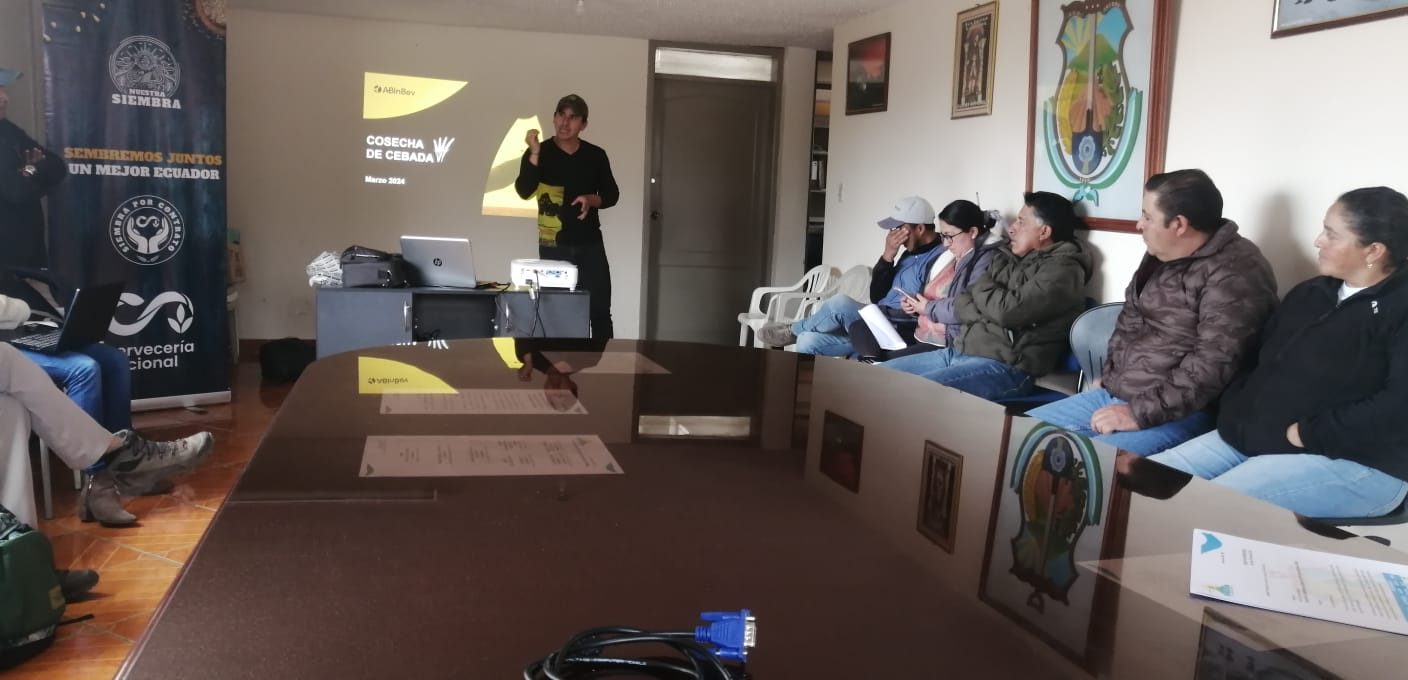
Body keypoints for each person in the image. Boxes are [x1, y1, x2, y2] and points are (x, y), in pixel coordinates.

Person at [1149, 187, 1408, 518]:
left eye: (1331, 234)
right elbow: (1258, 359)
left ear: (1373, 250)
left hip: (1356, 460)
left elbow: (1398, 408)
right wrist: (1237, 409)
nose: (1318, 241)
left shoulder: (1399, 310)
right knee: (1143, 485)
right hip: (1256, 435)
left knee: (1200, 511)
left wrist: (1307, 433)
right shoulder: (1311, 293)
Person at [1027, 170, 1278, 455]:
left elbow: (1213, 364)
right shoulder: (1161, 252)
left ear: (1179, 224)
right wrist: (1110, 375)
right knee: (1027, 439)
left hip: (1182, 411)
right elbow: (1130, 320)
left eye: (1147, 216)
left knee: (1094, 464)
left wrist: (1138, 413)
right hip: (1118, 394)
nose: (1139, 224)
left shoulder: (1236, 273)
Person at [878, 192, 1092, 401]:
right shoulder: (1009, 257)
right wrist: (991, 302)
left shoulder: (1063, 271)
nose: (1012, 227)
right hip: (961, 351)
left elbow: (1006, 312)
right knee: (878, 377)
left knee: (909, 394)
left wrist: (986, 298)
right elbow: (965, 301)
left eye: (1021, 221)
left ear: (1044, 232)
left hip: (1007, 367)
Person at [0, 342, 215, 527]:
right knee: (83, 370)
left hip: (30, 330)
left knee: (114, 361)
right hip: (11, 337)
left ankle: (18, 542)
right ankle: (108, 468)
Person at [756, 196, 945, 356]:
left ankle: (792, 330)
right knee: (807, 340)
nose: (893, 235)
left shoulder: (940, 258)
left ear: (920, 229)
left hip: (897, 328)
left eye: (898, 228)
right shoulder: (909, 253)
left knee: (839, 303)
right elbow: (876, 296)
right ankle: (810, 376)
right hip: (875, 322)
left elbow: (924, 306)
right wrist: (888, 256)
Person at [514, 94, 620, 339]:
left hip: (589, 243)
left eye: (573, 117)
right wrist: (534, 154)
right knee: (556, 313)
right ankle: (559, 362)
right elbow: (524, 190)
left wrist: (592, 199)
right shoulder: (539, 151)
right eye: (561, 115)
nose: (565, 122)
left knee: (600, 311)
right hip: (553, 246)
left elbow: (612, 195)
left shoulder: (595, 155)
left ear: (583, 124)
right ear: (554, 118)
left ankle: (604, 363)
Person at [847, 201, 1002, 362]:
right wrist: (888, 256)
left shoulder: (977, 259)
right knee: (855, 331)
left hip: (936, 337)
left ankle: (870, 362)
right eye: (943, 236)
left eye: (949, 236)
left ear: (973, 232)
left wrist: (925, 307)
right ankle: (868, 360)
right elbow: (877, 295)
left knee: (840, 307)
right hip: (914, 327)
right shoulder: (919, 255)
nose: (945, 243)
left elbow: (965, 308)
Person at [0, 68, 66, 270]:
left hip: (30, 256)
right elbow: (15, 191)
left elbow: (57, 166)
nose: (5, 97)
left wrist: (27, 171)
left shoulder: (9, 130)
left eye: (3, 89)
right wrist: (33, 169)